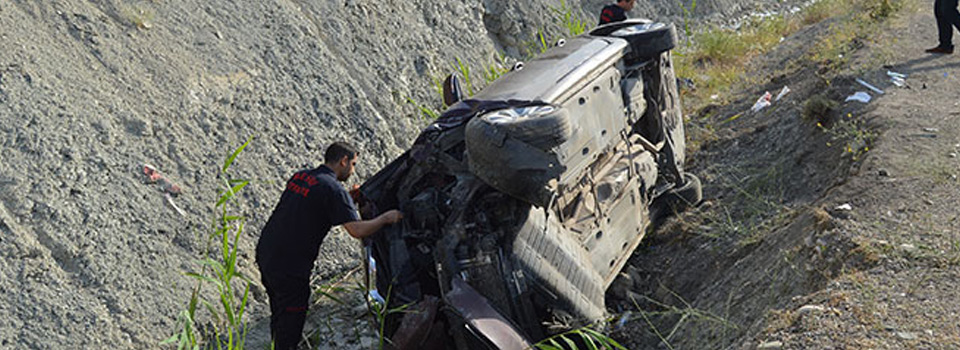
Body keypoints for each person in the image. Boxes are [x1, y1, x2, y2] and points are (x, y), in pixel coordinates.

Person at [255, 142, 402, 350]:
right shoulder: (333, 189)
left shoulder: (302, 176)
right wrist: (387, 218)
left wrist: (347, 202)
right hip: (291, 265)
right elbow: (357, 231)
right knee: (292, 318)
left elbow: (315, 205)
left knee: (279, 312)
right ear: (343, 161)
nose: (353, 170)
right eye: (353, 164)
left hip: (267, 253)